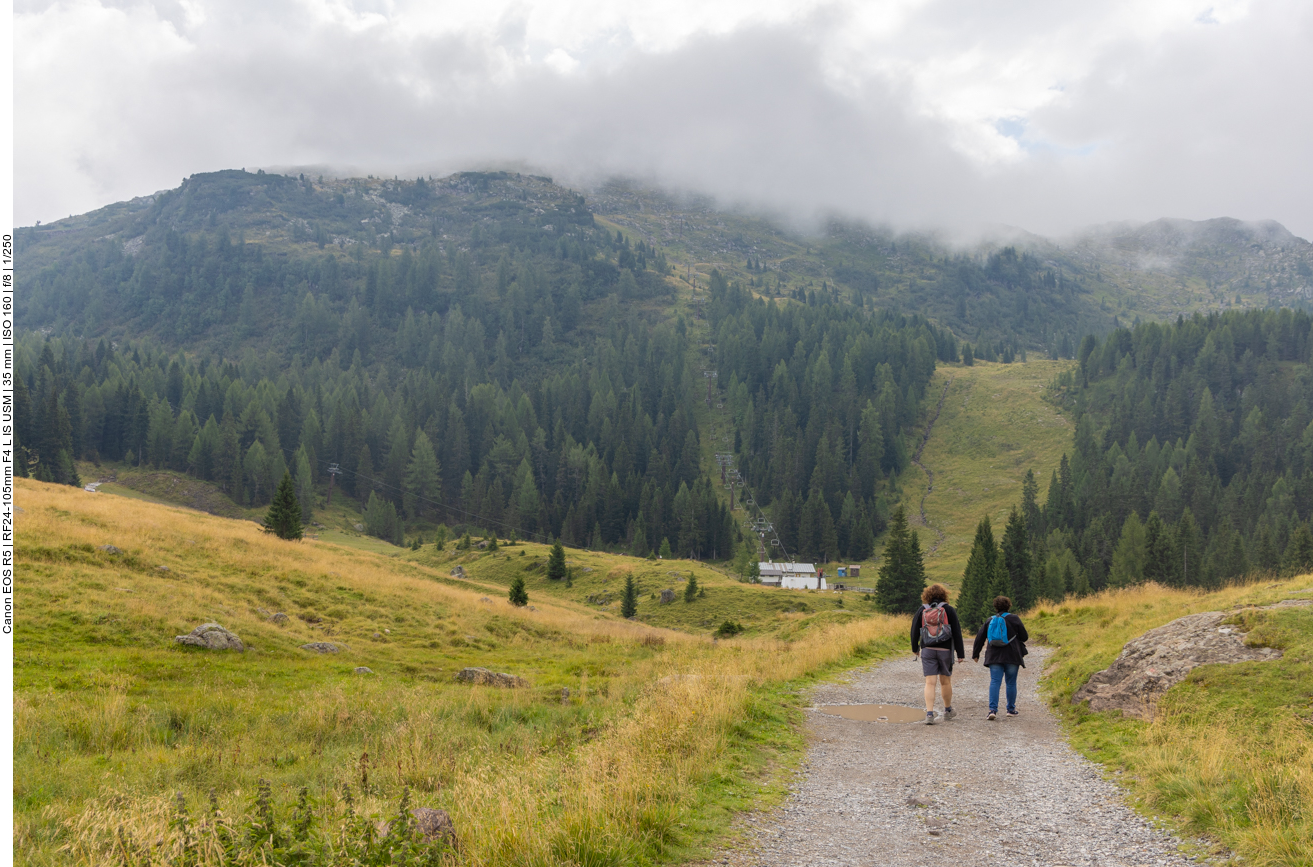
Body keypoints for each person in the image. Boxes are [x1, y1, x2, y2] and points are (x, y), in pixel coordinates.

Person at [910, 583, 965, 724]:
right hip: (945, 650)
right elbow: (957, 633)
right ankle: (947, 710)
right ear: (944, 595)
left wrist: (915, 648)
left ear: (926, 595)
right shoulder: (949, 610)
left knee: (930, 682)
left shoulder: (922, 610)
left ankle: (929, 714)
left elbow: (914, 629)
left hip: (927, 649)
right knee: (945, 682)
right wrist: (960, 653)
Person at [971, 595, 1030, 721]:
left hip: (994, 656)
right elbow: (1024, 637)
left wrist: (976, 654)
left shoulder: (990, 620)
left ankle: (992, 710)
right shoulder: (1014, 619)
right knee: (1011, 682)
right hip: (1012, 655)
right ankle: (1011, 710)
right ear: (1009, 606)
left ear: (995, 607)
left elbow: (979, 638)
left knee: (995, 682)